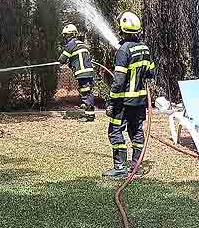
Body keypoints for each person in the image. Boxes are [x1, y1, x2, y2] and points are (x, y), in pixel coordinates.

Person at [105, 12, 156, 179]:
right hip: (140, 101)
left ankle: (120, 168)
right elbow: (151, 72)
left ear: (121, 30)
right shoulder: (145, 49)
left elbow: (118, 81)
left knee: (115, 131)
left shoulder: (123, 50)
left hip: (124, 101)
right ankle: (136, 167)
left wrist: (111, 101)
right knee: (136, 131)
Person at [58, 24, 97, 121]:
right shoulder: (82, 44)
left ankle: (89, 116)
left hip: (82, 72)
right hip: (89, 72)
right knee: (87, 92)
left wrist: (64, 61)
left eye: (65, 35)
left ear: (70, 35)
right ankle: (86, 110)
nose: (65, 38)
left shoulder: (71, 44)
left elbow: (62, 59)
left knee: (85, 93)